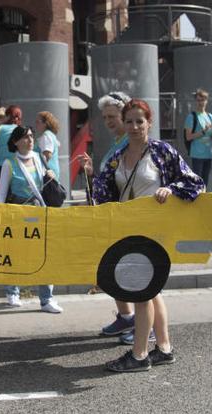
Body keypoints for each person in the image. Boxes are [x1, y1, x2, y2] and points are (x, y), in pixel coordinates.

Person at [82, 99, 205, 371]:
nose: (135, 126)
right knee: (152, 291)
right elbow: (104, 195)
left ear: (149, 122)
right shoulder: (117, 156)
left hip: (154, 232)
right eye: (129, 121)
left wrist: (171, 189)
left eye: (140, 121)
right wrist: (92, 176)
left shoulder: (162, 151)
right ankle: (164, 348)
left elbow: (194, 182)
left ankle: (138, 355)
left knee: (141, 291)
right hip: (128, 232)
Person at [79, 92, 140, 340]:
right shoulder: (117, 143)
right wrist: (94, 174)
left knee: (128, 271)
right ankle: (126, 317)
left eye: (112, 116)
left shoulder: (131, 142)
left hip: (127, 216)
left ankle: (141, 326)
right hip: (112, 215)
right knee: (111, 268)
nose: (108, 121)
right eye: (105, 117)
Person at [0, 126, 63, 314]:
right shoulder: (9, 163)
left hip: (39, 212)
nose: (30, 140)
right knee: (16, 253)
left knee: (44, 254)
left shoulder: (39, 158)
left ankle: (47, 299)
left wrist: (51, 176)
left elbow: (45, 184)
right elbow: (1, 192)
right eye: (25, 137)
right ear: (16, 141)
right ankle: (12, 292)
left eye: (32, 136)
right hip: (18, 213)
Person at [184, 88, 212, 187]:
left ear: (206, 101)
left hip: (208, 153)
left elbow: (211, 135)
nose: (200, 102)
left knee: (205, 181)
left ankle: (204, 200)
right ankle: (197, 200)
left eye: (203, 100)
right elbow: (188, 137)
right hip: (197, 154)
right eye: (198, 100)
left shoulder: (210, 116)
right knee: (198, 181)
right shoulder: (191, 116)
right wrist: (203, 131)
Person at [34, 111, 61, 177]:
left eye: (38, 122)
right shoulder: (51, 135)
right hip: (51, 172)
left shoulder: (46, 136)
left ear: (45, 123)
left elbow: (47, 156)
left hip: (47, 174)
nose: (36, 124)